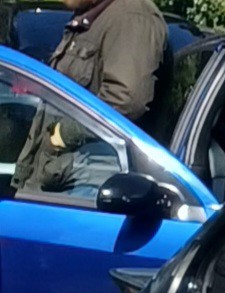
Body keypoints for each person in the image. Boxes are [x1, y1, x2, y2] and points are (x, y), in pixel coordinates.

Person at [12, 0, 166, 195]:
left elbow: (126, 100)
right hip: (56, 180)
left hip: (89, 187)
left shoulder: (132, 17)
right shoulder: (91, 18)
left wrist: (62, 135)